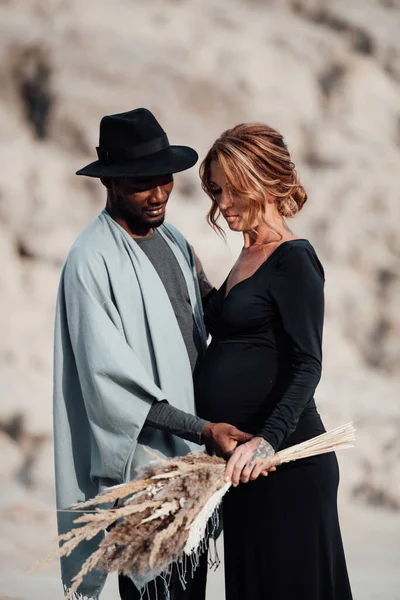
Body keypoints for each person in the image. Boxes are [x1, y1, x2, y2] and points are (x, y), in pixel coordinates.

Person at [53, 108, 251, 600]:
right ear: (111, 183)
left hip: (196, 466)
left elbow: (210, 312)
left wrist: (264, 255)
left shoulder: (172, 238)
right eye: (143, 184)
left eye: (164, 180)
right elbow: (114, 392)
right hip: (146, 474)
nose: (159, 194)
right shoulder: (89, 262)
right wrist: (203, 429)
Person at [194, 123, 353, 600]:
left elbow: (308, 364)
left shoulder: (295, 260)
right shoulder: (246, 256)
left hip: (287, 464)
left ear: (264, 181)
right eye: (217, 191)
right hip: (242, 469)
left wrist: (265, 442)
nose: (222, 204)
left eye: (233, 190)